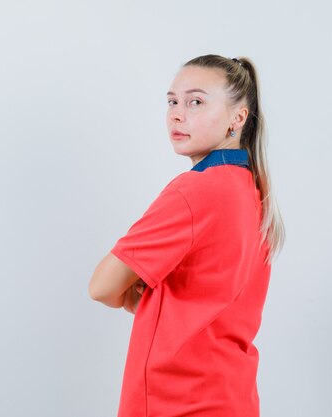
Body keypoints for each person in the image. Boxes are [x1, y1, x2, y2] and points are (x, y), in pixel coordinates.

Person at [88, 54, 285, 417]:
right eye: (172, 102)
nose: (177, 114)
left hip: (175, 401)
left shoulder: (195, 191)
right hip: (231, 398)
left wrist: (137, 297)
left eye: (195, 102)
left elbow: (101, 286)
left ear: (237, 117)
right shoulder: (253, 189)